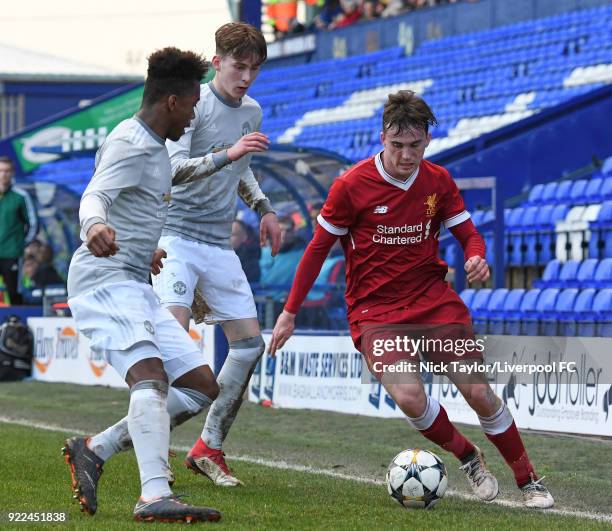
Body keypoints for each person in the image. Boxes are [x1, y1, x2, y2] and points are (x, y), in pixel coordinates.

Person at [269, 91, 554, 509]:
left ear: (427, 140)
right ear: (382, 136)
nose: (405, 155)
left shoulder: (437, 181)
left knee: (478, 393)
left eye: (414, 146)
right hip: (376, 312)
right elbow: (316, 249)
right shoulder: (350, 186)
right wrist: (289, 312)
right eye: (396, 145)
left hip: (433, 302)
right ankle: (467, 457)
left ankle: (528, 480)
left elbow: (469, 233)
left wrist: (477, 255)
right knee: (409, 397)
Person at [63, 47, 225, 523]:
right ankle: (154, 495)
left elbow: (129, 207)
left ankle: (95, 449)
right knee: (150, 378)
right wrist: (93, 226)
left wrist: (142, 249)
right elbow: (96, 194)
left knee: (200, 387)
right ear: (173, 102)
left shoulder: (155, 146)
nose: (195, 113)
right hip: (103, 282)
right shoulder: (130, 142)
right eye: (193, 104)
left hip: (132, 277)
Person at [150, 22, 281, 487]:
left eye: (255, 69)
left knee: (248, 345)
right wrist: (229, 154)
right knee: (173, 342)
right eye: (238, 66)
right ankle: (148, 448)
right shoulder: (193, 105)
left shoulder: (253, 111)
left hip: (217, 243)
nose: (246, 77)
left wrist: (263, 208)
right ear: (217, 63)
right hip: (176, 238)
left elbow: (241, 169)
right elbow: (172, 171)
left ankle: (209, 446)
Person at [0, 156, 38, 305]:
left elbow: (33, 224)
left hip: (12, 254)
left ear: (12, 173)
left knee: (14, 293)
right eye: (1, 170)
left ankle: (15, 324)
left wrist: (22, 244)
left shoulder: (21, 196)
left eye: (7, 171)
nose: (3, 174)